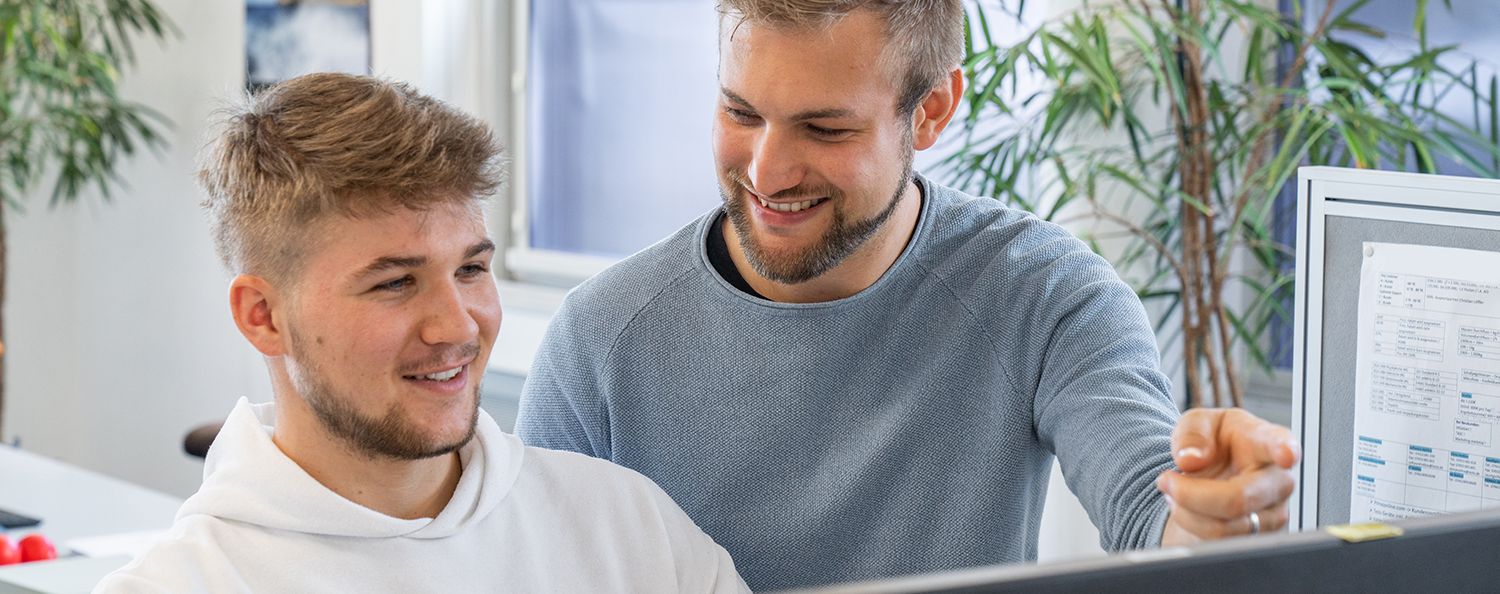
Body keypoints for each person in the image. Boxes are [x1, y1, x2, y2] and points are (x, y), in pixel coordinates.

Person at [515, 1, 1301, 591]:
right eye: (740, 111)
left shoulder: (1043, 293)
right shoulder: (600, 340)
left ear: (931, 110)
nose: (765, 171)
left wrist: (1211, 510)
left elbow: (1148, 507)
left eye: (825, 130)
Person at [94, 73, 748, 594]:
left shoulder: (626, 530)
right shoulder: (186, 582)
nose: (458, 325)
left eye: (471, 268)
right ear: (263, 317)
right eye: (394, 283)